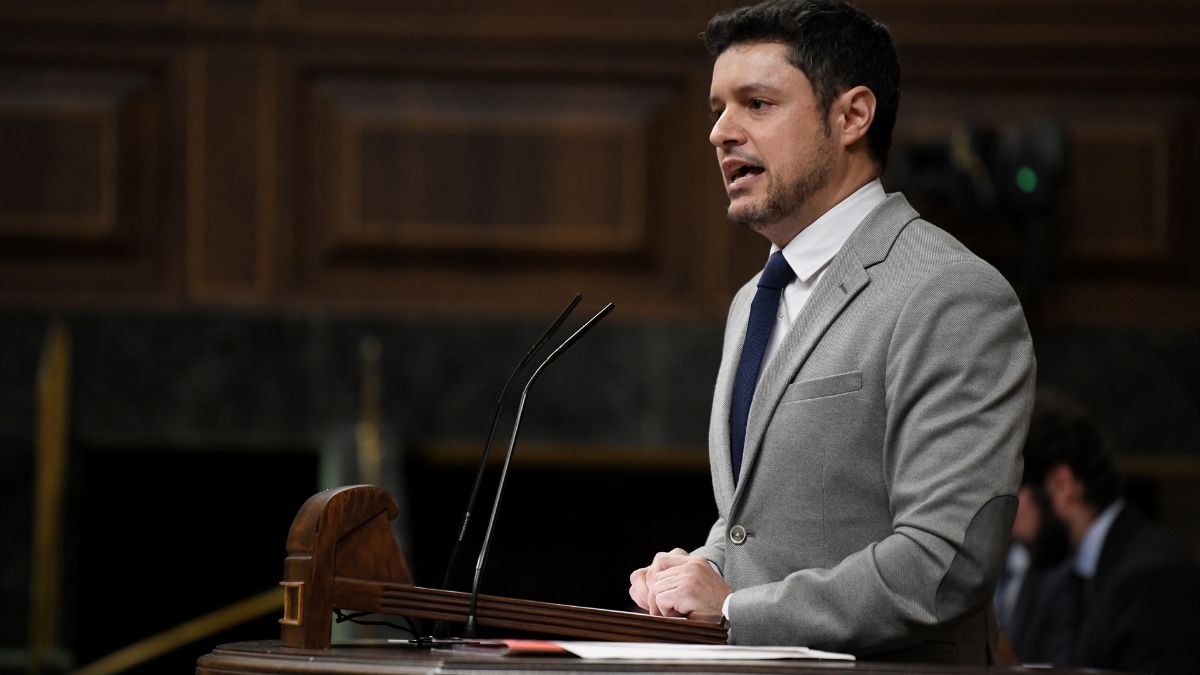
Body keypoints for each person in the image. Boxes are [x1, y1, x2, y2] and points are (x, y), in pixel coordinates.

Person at [627, 0, 1036, 664]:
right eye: (717, 110)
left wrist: (731, 609)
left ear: (852, 116)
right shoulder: (750, 303)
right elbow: (766, 533)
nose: (720, 133)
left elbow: (944, 562)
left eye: (756, 104)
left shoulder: (951, 294)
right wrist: (689, 575)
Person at [1022, 393, 1200, 675]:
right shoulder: (1060, 575)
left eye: (1014, 495)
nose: (1009, 520)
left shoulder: (1150, 578)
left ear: (1062, 485)